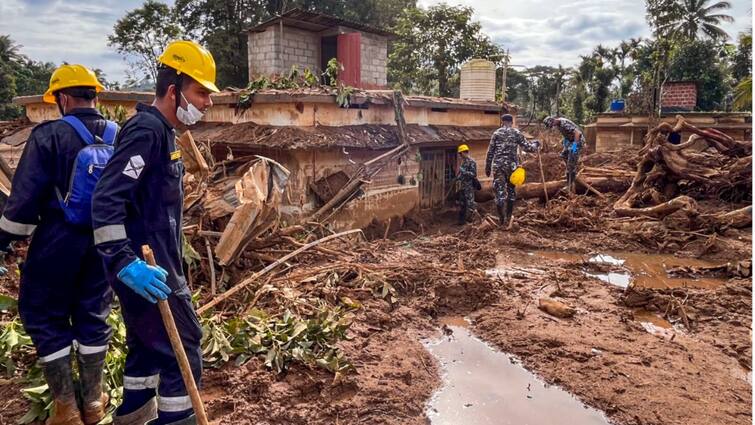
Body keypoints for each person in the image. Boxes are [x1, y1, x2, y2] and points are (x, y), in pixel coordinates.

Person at [91, 40, 218, 425]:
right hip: (148, 274)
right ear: (174, 90)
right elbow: (106, 200)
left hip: (156, 269)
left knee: (146, 351)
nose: (207, 102)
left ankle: (132, 418)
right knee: (185, 349)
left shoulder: (164, 133)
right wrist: (125, 263)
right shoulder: (146, 131)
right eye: (201, 92)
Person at [0, 64, 115, 425]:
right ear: (95, 95)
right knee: (94, 314)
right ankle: (94, 402)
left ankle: (66, 407)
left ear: (63, 98)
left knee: (44, 314)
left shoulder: (48, 135)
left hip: (56, 242)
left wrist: (4, 240)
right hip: (104, 243)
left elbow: (23, 202)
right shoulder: (119, 134)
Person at [485, 114, 540, 227]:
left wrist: (487, 167)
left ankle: (502, 219)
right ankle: (509, 216)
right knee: (511, 191)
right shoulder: (516, 133)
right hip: (512, 166)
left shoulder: (496, 133)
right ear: (512, 122)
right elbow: (527, 147)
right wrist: (535, 144)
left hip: (498, 166)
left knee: (499, 192)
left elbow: (490, 152)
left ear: (502, 121)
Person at [543, 116, 583, 192]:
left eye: (552, 125)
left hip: (577, 141)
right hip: (570, 141)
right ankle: (571, 169)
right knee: (564, 155)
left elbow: (578, 133)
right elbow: (567, 134)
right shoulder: (559, 124)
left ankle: (570, 185)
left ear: (553, 120)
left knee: (571, 159)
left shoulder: (564, 123)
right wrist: (565, 143)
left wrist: (574, 146)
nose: (553, 127)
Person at [455, 144, 478, 225]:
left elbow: (473, 174)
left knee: (471, 203)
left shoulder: (472, 162)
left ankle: (474, 221)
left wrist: (464, 172)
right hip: (462, 186)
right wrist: (458, 178)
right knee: (462, 204)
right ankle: (462, 221)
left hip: (469, 186)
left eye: (460, 154)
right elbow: (461, 174)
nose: (460, 156)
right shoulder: (463, 161)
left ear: (464, 152)